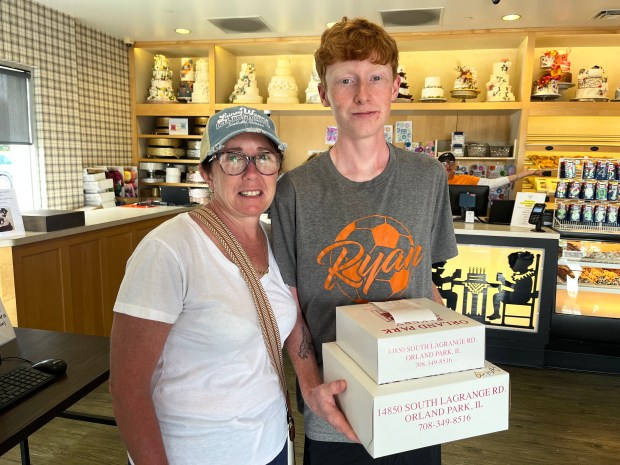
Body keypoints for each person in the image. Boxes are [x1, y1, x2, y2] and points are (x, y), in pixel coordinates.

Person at [271, 17, 458, 465]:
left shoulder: (428, 177)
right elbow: (290, 304)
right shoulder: (294, 190)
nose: (362, 95)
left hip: (414, 399)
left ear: (395, 87)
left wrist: (455, 346)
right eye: (346, 81)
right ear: (323, 94)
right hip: (335, 408)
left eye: (376, 78)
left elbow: (425, 284)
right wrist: (311, 384)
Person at [109, 105, 297, 465]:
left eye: (264, 158)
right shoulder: (168, 250)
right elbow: (127, 389)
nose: (252, 173)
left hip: (271, 442)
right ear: (206, 173)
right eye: (233, 158)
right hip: (196, 452)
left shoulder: (276, 242)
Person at [439, 152, 544, 188]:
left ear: (455, 165)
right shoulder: (432, 182)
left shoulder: (465, 179)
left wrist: (520, 175)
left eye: (451, 162)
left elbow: (492, 183)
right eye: (443, 163)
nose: (447, 165)